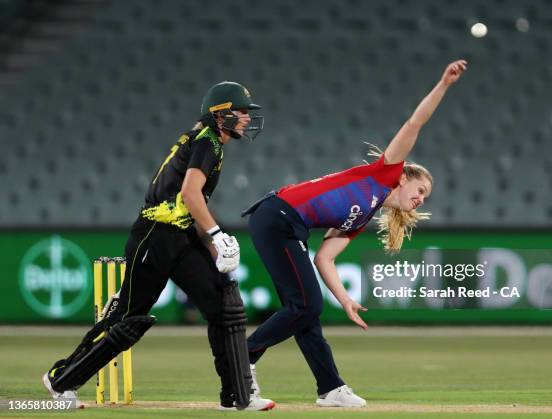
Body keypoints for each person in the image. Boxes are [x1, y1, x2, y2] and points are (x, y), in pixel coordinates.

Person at [242, 60, 467, 407]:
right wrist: (444, 85)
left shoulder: (364, 214)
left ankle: (330, 388)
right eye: (421, 190)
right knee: (306, 305)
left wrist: (345, 299)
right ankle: (243, 358)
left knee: (306, 312)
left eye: (426, 198)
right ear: (404, 177)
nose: (421, 199)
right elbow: (414, 123)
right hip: (277, 216)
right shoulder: (384, 173)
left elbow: (325, 258)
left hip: (288, 226)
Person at [42, 81, 275, 411]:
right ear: (220, 114)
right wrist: (218, 235)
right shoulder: (206, 143)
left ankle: (237, 395)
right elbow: (191, 195)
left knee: (223, 308)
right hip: (154, 236)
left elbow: (188, 205)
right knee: (127, 320)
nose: (247, 118)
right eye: (240, 112)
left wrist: (211, 245)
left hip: (177, 235)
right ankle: (61, 379)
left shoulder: (206, 142)